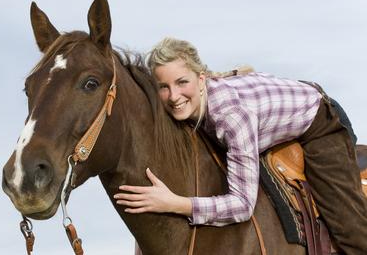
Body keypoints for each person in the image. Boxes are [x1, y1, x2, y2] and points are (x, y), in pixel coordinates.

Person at [113, 37, 367, 254]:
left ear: (201, 79)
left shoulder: (231, 117)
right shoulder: (186, 104)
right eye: (163, 87)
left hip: (318, 120)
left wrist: (176, 203)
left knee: (349, 225)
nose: (174, 96)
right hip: (265, 114)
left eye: (182, 82)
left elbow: (243, 206)